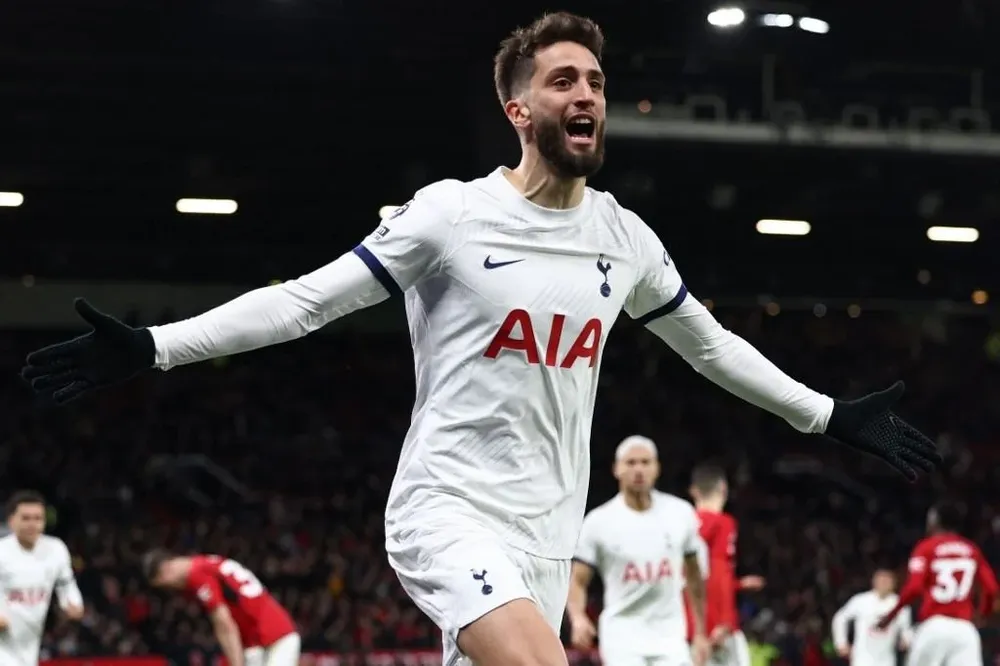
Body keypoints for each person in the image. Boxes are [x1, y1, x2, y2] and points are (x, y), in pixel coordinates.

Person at [23, 11, 941, 666]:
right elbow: (306, 303)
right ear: (519, 110)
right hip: (447, 508)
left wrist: (827, 416)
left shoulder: (624, 237)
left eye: (596, 82)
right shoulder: (451, 216)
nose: (587, 95)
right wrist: (156, 347)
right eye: (563, 80)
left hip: (548, 531)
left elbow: (710, 344)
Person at [567, 435, 710, 666]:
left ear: (657, 468)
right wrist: (578, 618)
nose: (639, 469)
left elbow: (695, 577)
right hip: (622, 637)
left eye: (645, 462)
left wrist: (701, 633)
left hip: (670, 637)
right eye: (631, 463)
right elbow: (578, 580)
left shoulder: (681, 514)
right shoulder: (598, 522)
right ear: (616, 469)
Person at [876, 501, 998, 666]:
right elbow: (992, 589)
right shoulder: (972, 549)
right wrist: (982, 614)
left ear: (934, 521)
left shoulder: (926, 547)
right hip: (964, 630)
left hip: (934, 626)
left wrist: (891, 616)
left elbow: (914, 588)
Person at [143, 550, 300, 666]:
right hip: (256, 640)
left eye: (165, 585)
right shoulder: (206, 563)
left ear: (166, 571)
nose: (172, 588)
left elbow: (224, 624)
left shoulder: (197, 574)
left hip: (274, 636)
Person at [685, 465, 764, 666]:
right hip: (717, 629)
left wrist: (737, 584)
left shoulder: (681, 526)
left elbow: (691, 577)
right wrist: (723, 622)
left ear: (693, 491)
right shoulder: (723, 523)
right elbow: (716, 574)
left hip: (688, 629)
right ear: (723, 488)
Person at [0, 491, 84, 666]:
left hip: (29, 648)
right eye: (26, 518)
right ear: (11, 521)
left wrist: (73, 603)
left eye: (38, 518)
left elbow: (66, 585)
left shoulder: (56, 550)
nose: (32, 524)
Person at [831, 568, 911, 666]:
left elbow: (906, 629)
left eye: (887, 580)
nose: (884, 583)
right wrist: (841, 642)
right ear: (874, 582)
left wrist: (906, 639)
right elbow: (840, 618)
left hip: (886, 660)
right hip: (862, 659)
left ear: (894, 584)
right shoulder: (861, 600)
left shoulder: (900, 604)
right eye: (881, 580)